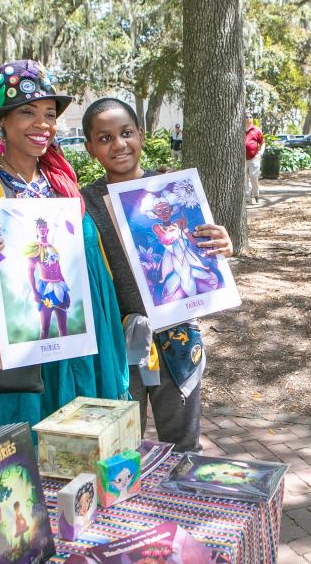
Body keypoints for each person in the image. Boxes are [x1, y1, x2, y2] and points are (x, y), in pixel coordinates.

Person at [0, 60, 130, 524]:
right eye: (27, 113)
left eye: (50, 113)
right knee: (20, 483)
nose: (43, 125)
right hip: (17, 371)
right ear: (2, 125)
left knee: (77, 467)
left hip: (74, 356)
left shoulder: (63, 186)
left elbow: (95, 272)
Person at [80, 98, 233, 451]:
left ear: (142, 136)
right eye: (104, 138)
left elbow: (204, 246)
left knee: (183, 444)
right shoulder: (82, 203)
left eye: (126, 133)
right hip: (117, 341)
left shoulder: (172, 190)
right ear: (90, 148)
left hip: (176, 338)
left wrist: (223, 244)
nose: (118, 144)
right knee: (120, 444)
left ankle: (184, 504)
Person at [244, 112, 263, 204]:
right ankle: (248, 198)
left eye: (250, 117)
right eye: (246, 117)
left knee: (253, 177)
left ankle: (256, 195)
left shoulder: (256, 130)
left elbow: (262, 143)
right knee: (245, 179)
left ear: (252, 119)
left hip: (254, 158)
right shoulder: (240, 129)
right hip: (242, 159)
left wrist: (260, 153)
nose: (248, 118)